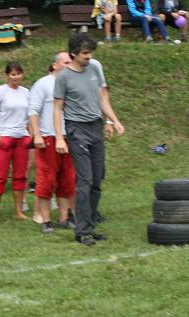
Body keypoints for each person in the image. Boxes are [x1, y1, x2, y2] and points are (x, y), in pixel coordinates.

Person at [54, 33, 124, 246]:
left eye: (90, 52)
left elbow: (102, 98)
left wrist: (114, 120)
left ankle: (90, 223)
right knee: (84, 180)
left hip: (96, 127)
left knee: (97, 178)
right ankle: (82, 231)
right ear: (74, 53)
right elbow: (57, 109)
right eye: (85, 53)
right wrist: (59, 137)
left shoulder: (94, 68)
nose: (89, 56)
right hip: (77, 130)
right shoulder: (64, 77)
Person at [28, 51, 76, 234]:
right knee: (47, 179)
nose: (69, 65)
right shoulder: (43, 84)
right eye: (66, 62)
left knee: (68, 179)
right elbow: (33, 111)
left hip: (68, 136)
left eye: (70, 62)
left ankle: (65, 217)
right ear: (55, 65)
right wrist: (37, 136)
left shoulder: (71, 83)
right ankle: (46, 220)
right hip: (48, 137)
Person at [0, 60, 32, 224]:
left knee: (20, 176)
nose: (16, 77)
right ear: (7, 75)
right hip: (5, 137)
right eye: (12, 74)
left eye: (18, 73)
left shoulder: (27, 92)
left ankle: (19, 211)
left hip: (22, 138)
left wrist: (30, 136)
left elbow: (31, 116)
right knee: (0, 176)